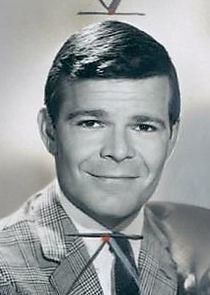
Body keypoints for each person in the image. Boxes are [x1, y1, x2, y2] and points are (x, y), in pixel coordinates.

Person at [0, 20, 208, 295]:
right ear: (49, 131)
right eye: (92, 123)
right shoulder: (7, 272)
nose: (119, 151)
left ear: (171, 138)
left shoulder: (195, 252)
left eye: (143, 127)